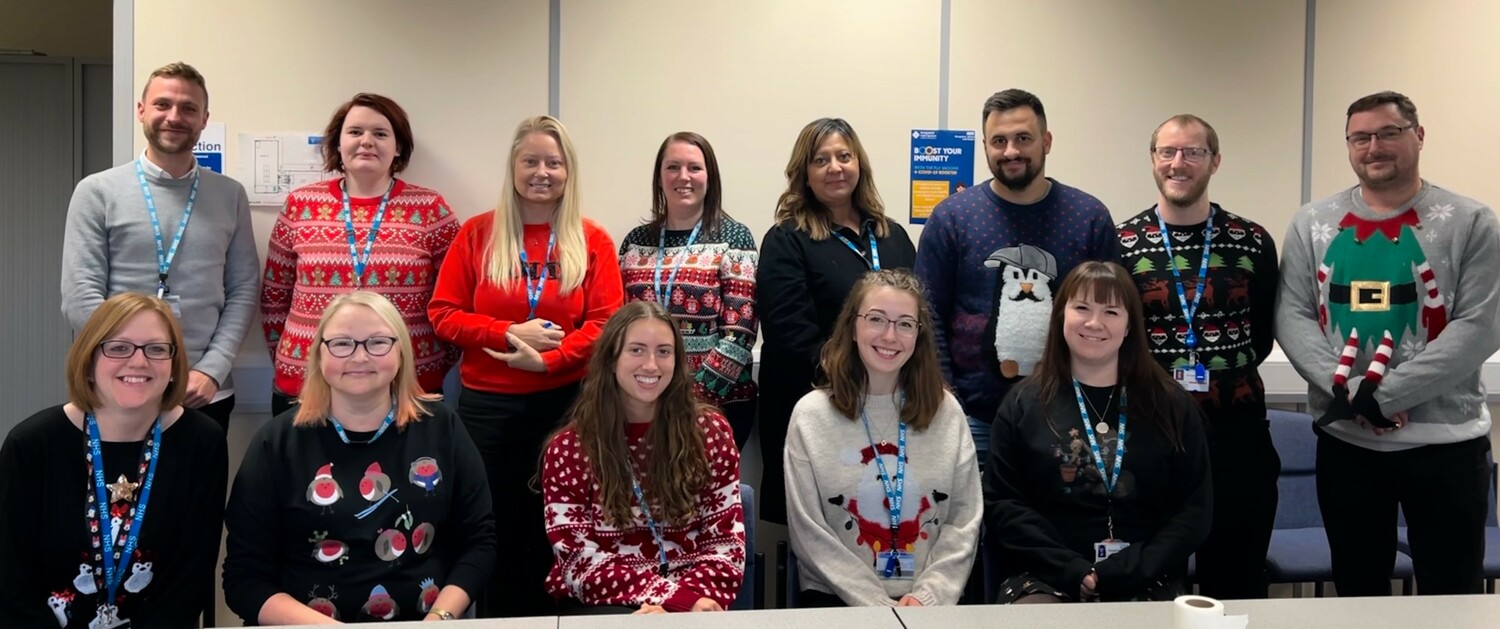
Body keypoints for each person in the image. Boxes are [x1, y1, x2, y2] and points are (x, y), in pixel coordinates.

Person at [1275, 91, 1500, 596]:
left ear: (1418, 136)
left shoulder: (1472, 221)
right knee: (1358, 594)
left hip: (1448, 447)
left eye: (1388, 133)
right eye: (1361, 137)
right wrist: (1351, 389)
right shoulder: (1312, 222)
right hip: (1348, 447)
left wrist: (1384, 394)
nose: (1374, 146)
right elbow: (1291, 315)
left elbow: (1479, 326)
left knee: (1452, 596)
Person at [428, 115, 623, 616]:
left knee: (564, 529)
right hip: (487, 414)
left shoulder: (591, 239)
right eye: (530, 160)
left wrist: (550, 361)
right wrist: (508, 333)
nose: (542, 171)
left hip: (569, 409)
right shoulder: (477, 234)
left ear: (568, 171)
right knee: (495, 530)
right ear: (513, 167)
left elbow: (606, 323)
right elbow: (443, 314)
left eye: (553, 162)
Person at [223, 292, 495, 623]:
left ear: (401, 351)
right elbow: (244, 579)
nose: (360, 357)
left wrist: (440, 617)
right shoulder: (277, 442)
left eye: (377, 342)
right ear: (319, 355)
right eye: (342, 343)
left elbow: (479, 544)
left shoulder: (443, 428)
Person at [1115, 114, 1280, 600]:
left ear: (1215, 161)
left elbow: (1264, 332)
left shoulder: (1252, 240)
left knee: (1237, 583)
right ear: (1153, 161)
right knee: (1149, 584)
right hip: (1150, 435)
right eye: (1167, 152)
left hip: (1237, 438)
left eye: (1193, 152)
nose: (1178, 163)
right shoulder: (1121, 243)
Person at [915, 89, 1119, 470]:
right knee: (971, 528)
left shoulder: (1088, 217)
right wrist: (948, 402)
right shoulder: (952, 219)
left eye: (1023, 138)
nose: (1011, 151)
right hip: (973, 420)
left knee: (1057, 529)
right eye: (999, 141)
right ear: (985, 146)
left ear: (1046, 141)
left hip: (1069, 419)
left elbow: (1113, 320)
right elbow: (928, 317)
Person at [984, 261, 1210, 604]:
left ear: (1130, 323)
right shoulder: (1022, 404)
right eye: (1082, 308)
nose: (1094, 322)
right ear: (1061, 314)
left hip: (1146, 575)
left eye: (1111, 311)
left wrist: (1134, 567)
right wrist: (1072, 568)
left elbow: (1194, 509)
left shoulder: (1171, 404)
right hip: (1044, 575)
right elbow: (1004, 504)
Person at [0, 293, 227, 628]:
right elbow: (9, 580)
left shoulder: (201, 443)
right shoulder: (32, 444)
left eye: (156, 348)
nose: (138, 362)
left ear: (174, 365)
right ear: (88, 361)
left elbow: (189, 580)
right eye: (118, 347)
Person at [61, 61, 258, 435]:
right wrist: (132, 367)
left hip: (204, 392)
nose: (174, 117)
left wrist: (210, 370)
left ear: (204, 119)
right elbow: (79, 295)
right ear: (141, 111)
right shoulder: (97, 191)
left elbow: (244, 290)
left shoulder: (229, 195)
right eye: (162, 105)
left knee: (197, 495)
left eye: (188, 108)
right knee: (115, 494)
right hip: (117, 387)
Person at [785, 269, 981, 607]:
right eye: (876, 319)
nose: (890, 336)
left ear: (919, 336)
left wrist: (927, 597)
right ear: (852, 326)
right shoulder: (811, 416)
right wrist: (877, 606)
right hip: (838, 603)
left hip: (930, 608)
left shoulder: (946, 411)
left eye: (905, 324)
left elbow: (964, 520)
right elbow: (809, 533)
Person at [757, 117, 917, 525]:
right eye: (821, 159)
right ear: (804, 175)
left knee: (887, 519)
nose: (835, 167)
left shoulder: (893, 236)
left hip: (890, 406)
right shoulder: (786, 239)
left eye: (844, 156)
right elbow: (791, 335)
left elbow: (918, 319)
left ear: (859, 164)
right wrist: (857, 380)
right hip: (819, 406)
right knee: (827, 523)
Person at [261, 93, 460, 417]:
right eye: (355, 132)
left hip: (407, 386)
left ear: (398, 147)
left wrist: (427, 362)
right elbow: (274, 297)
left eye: (380, 134)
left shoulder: (430, 210)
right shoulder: (300, 205)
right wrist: (298, 354)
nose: (366, 141)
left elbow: (453, 301)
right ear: (338, 144)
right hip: (307, 385)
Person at [540, 301, 745, 615]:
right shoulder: (569, 448)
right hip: (606, 601)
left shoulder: (710, 433)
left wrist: (683, 605)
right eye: (636, 350)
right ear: (611, 359)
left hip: (696, 600)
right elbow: (576, 560)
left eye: (663, 352)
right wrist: (670, 599)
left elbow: (725, 545)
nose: (651, 365)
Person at [619, 132, 759, 448]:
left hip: (714, 406)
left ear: (710, 177)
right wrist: (646, 395)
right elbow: (620, 329)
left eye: (694, 168)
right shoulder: (634, 242)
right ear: (659, 177)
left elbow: (740, 334)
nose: (684, 177)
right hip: (642, 402)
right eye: (673, 167)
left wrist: (689, 398)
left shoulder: (734, 238)